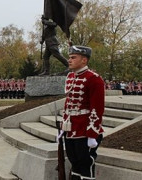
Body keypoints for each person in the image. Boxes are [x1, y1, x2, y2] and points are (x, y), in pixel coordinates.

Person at [62, 45, 104, 180]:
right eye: (69, 57)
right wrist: (63, 127)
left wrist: (92, 134)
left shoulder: (94, 79)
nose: (69, 60)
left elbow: (97, 108)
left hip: (85, 129)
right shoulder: (70, 77)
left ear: (84, 60)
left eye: (73, 57)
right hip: (71, 128)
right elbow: (68, 103)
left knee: (85, 164)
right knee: (74, 163)